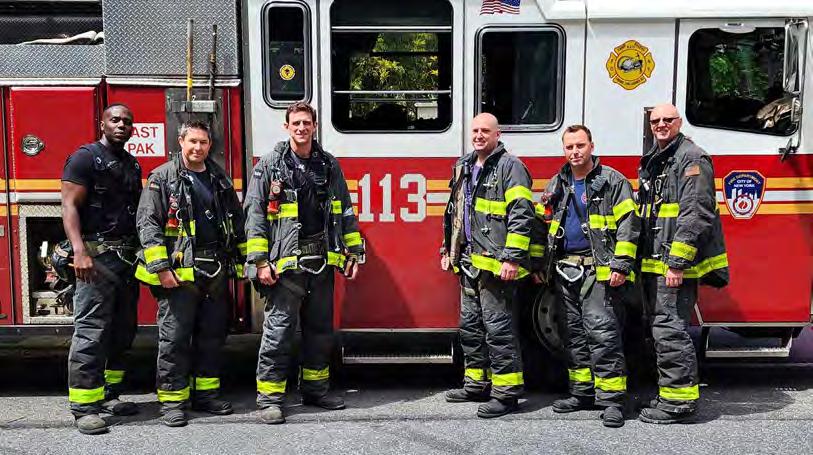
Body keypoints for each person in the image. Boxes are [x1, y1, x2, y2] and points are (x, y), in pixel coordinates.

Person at [244, 102, 364, 424]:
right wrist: (260, 261)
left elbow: (345, 211)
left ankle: (315, 390)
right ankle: (270, 399)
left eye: (306, 123)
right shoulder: (270, 165)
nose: (301, 128)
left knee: (320, 332)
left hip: (321, 263)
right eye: (295, 123)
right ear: (286, 127)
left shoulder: (328, 164)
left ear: (314, 127)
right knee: (279, 332)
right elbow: (255, 215)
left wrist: (353, 253)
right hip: (285, 268)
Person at [135, 121, 246, 427]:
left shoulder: (219, 178)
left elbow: (236, 222)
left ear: (210, 145)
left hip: (215, 270)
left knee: (211, 336)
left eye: (203, 142)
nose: (198, 147)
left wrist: (243, 263)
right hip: (179, 274)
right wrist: (161, 268)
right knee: (175, 338)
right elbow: (148, 224)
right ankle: (172, 402)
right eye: (192, 141)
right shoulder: (162, 178)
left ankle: (206, 395)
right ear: (181, 142)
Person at [539, 125, 639, 428]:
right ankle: (582, 392)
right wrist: (541, 265)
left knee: (603, 334)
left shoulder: (612, 181)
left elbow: (629, 225)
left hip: (599, 270)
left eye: (580, 145)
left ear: (592, 147)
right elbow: (545, 223)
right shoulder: (558, 182)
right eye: (569, 147)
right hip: (565, 269)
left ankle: (612, 401)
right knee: (573, 335)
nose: (575, 152)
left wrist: (621, 265)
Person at [637, 104, 729, 424]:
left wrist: (677, 262)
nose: (661, 125)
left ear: (679, 122)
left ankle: (679, 403)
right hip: (657, 262)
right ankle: (669, 393)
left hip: (673, 265)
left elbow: (696, 213)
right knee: (661, 329)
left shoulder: (692, 158)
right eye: (656, 121)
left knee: (670, 330)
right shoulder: (660, 158)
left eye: (668, 120)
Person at [441, 113, 534, 418]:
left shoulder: (510, 167)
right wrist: (448, 249)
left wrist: (512, 257)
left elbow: (522, 214)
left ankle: (506, 394)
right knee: (471, 328)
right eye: (475, 130)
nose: (479, 135)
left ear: (497, 134)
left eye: (485, 131)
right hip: (469, 262)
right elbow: (455, 212)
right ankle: (476, 384)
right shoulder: (465, 165)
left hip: (496, 264)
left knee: (499, 329)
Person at [62, 104, 142, 435]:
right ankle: (84, 407)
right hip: (95, 259)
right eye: (115, 120)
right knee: (91, 331)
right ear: (102, 123)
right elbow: (69, 205)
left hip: (126, 260)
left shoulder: (131, 164)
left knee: (122, 331)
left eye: (127, 122)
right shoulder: (84, 158)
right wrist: (79, 251)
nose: (121, 125)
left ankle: (109, 395)